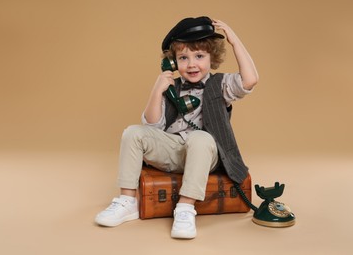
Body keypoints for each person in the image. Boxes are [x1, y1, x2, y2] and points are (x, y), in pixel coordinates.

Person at [95, 16, 259, 239]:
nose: (191, 64)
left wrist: (234, 39)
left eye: (199, 56)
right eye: (183, 58)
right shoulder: (174, 86)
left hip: (205, 154)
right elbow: (152, 125)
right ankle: (127, 200)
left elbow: (250, 80)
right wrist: (157, 89)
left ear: (213, 58)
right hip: (174, 151)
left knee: (199, 138)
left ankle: (185, 208)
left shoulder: (220, 85)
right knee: (133, 132)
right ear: (173, 63)